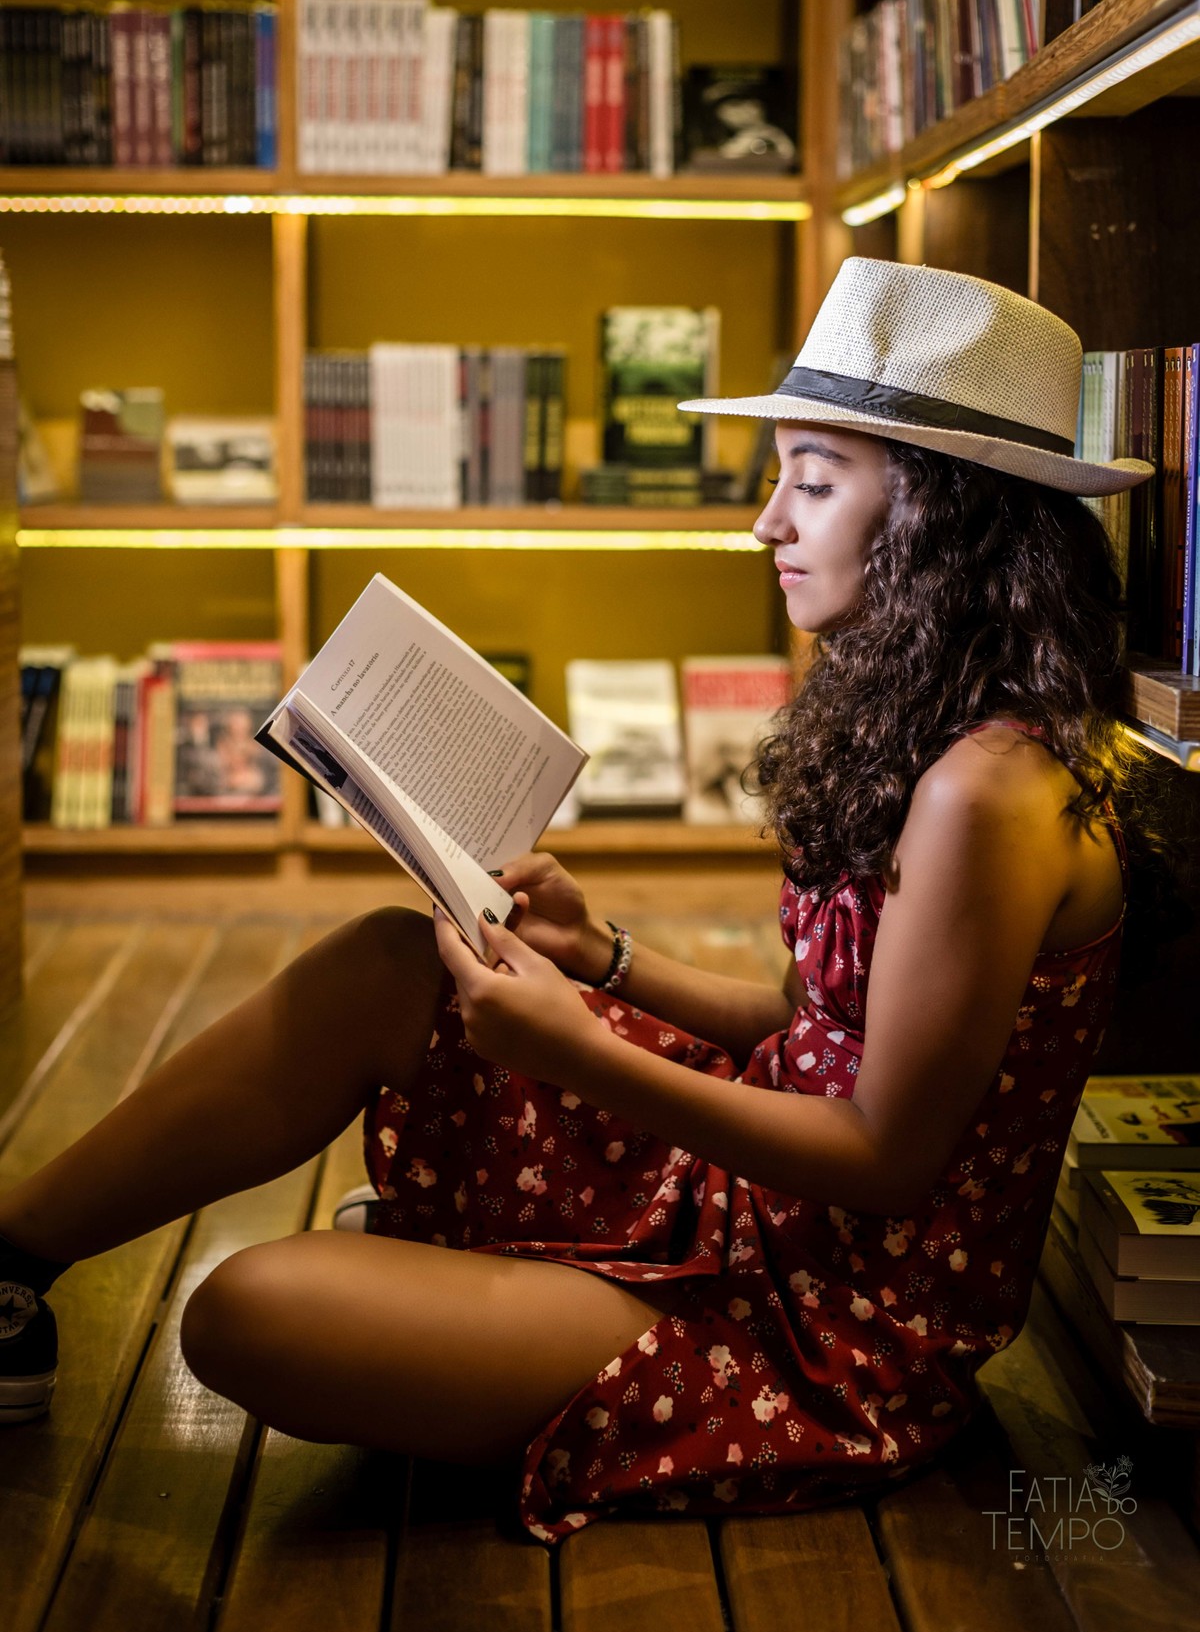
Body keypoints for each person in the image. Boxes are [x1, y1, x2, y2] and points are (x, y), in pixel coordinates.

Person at [0, 259, 1178, 1545]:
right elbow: (806, 1025)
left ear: (946, 518)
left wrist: (577, 1054)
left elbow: (889, 1163)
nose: (766, 523)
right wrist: (601, 956)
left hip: (825, 1320)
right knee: (397, 959)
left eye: (817, 481)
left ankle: (476, 1265)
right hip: (748, 1203)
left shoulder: (987, 795)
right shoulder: (926, 725)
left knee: (241, 1317)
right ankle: (9, 1266)